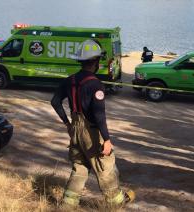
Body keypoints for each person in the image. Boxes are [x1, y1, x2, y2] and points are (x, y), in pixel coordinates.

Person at [51, 39, 134, 208]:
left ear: (81, 61)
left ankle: (67, 205)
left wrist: (67, 123)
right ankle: (116, 203)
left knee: (79, 167)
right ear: (95, 61)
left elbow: (55, 102)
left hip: (75, 131)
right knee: (105, 168)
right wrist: (107, 140)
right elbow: (99, 115)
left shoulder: (70, 80)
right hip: (92, 134)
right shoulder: (96, 85)